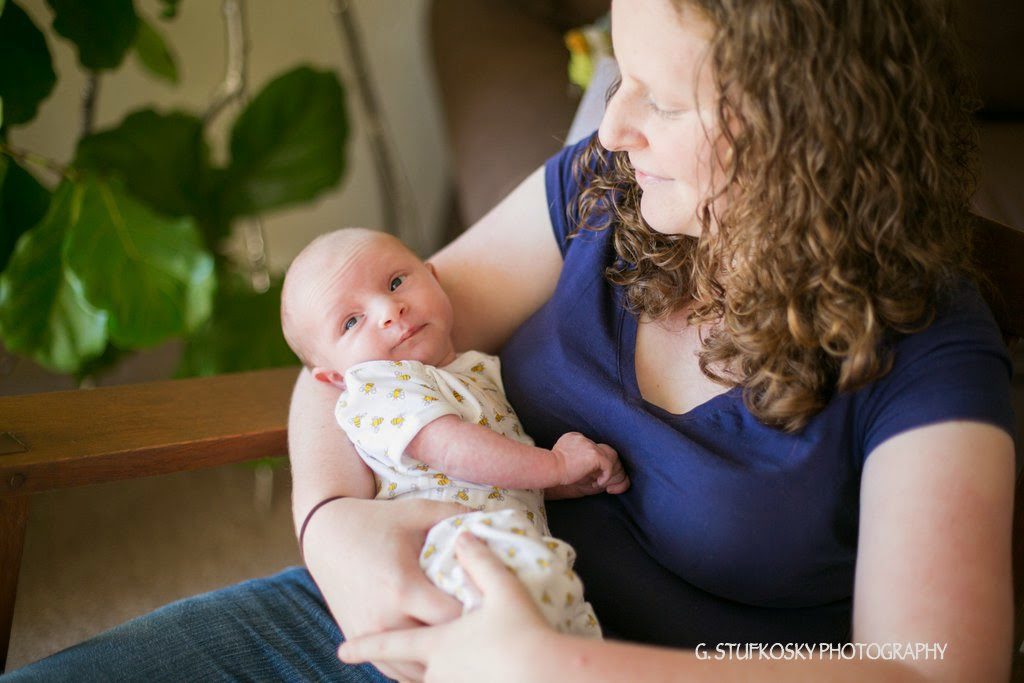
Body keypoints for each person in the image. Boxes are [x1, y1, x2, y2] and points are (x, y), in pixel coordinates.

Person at [3, 0, 1015, 681]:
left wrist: (565, 666)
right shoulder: (602, 194)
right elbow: (356, 361)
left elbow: (930, 666)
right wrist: (330, 525)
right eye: (621, 77)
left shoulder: (928, 357)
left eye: (661, 99)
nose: (612, 124)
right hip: (398, 620)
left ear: (808, 131)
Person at [279, 227, 626, 638]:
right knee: (530, 636)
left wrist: (560, 485)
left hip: (504, 548)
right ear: (334, 376)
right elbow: (453, 452)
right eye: (352, 321)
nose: (390, 309)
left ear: (434, 278)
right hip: (448, 553)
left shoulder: (467, 371)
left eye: (395, 282)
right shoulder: (380, 385)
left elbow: (487, 473)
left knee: (567, 634)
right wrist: (556, 465)